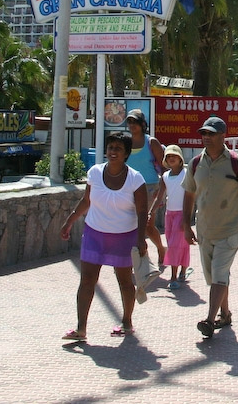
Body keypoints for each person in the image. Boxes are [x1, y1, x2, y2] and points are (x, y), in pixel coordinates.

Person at [60, 132, 148, 341]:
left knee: (125, 281)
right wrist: (70, 221)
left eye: (118, 148)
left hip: (124, 237)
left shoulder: (135, 179)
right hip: (94, 234)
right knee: (87, 280)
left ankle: (126, 322)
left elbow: (142, 211)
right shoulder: (95, 173)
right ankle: (81, 328)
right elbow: (86, 200)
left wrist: (140, 238)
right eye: (110, 148)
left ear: (126, 153)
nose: (113, 152)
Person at [184, 116, 238, 339]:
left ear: (223, 135)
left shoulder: (237, 163)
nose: (206, 137)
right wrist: (186, 225)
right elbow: (189, 195)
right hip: (205, 230)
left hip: (230, 230)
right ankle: (225, 314)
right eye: (204, 134)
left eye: (211, 133)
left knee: (219, 274)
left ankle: (209, 320)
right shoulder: (195, 164)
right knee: (216, 276)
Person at [125, 108, 167, 269]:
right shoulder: (126, 142)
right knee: (130, 224)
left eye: (135, 122)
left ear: (143, 124)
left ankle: (159, 249)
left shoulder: (151, 142)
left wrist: (161, 190)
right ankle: (138, 260)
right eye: (129, 122)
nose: (131, 125)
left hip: (149, 188)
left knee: (147, 225)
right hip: (129, 188)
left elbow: (164, 168)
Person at [153, 145, 191, 289]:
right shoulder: (165, 177)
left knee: (177, 245)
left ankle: (174, 276)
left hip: (182, 213)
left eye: (174, 156)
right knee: (173, 244)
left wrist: (186, 219)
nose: (171, 158)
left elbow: (192, 196)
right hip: (169, 214)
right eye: (168, 156)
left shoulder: (187, 174)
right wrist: (151, 212)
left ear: (180, 158)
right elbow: (159, 197)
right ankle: (182, 271)